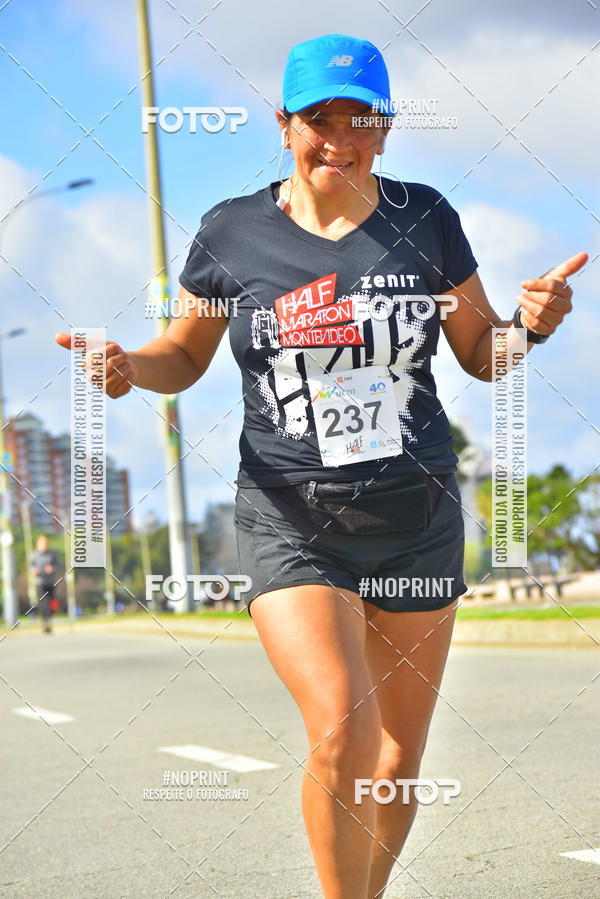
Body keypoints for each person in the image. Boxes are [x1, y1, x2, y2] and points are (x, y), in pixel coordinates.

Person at [55, 32, 586, 899]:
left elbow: (483, 355)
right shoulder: (231, 230)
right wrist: (126, 369)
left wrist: (531, 323)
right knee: (343, 730)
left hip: (414, 521)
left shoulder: (428, 219)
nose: (338, 137)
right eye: (317, 119)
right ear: (283, 124)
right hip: (289, 517)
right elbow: (182, 357)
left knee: (396, 766)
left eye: (359, 119)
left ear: (385, 129)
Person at [29, 534, 60, 634]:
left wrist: (52, 568)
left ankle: (49, 618)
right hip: (40, 582)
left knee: (51, 602)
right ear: (38, 544)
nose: (43, 545)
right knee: (43, 602)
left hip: (50, 582)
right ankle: (46, 621)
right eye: (41, 543)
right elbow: (30, 567)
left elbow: (58, 565)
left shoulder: (52, 554)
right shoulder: (34, 555)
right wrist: (34, 570)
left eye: (45, 543)